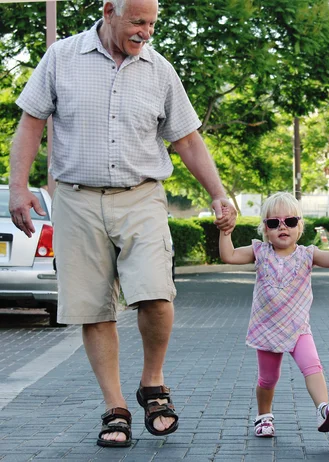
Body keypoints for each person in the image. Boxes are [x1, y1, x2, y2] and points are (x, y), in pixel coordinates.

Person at [8, 0, 236, 448]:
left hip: (142, 196)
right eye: (138, 21)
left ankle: (153, 383)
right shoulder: (62, 57)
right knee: (93, 309)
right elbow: (31, 122)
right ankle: (115, 407)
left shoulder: (159, 69)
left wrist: (218, 192)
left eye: (152, 23)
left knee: (156, 295)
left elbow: (187, 139)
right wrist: (18, 186)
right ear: (109, 11)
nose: (146, 32)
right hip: (75, 199)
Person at [219, 192, 329, 437]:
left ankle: (323, 408)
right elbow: (229, 255)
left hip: (298, 327)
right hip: (267, 328)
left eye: (290, 221)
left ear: (300, 227)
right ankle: (264, 416)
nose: (282, 227)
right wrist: (225, 231)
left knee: (312, 367)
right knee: (268, 379)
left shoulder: (308, 255)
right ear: (265, 229)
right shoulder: (260, 252)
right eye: (274, 223)